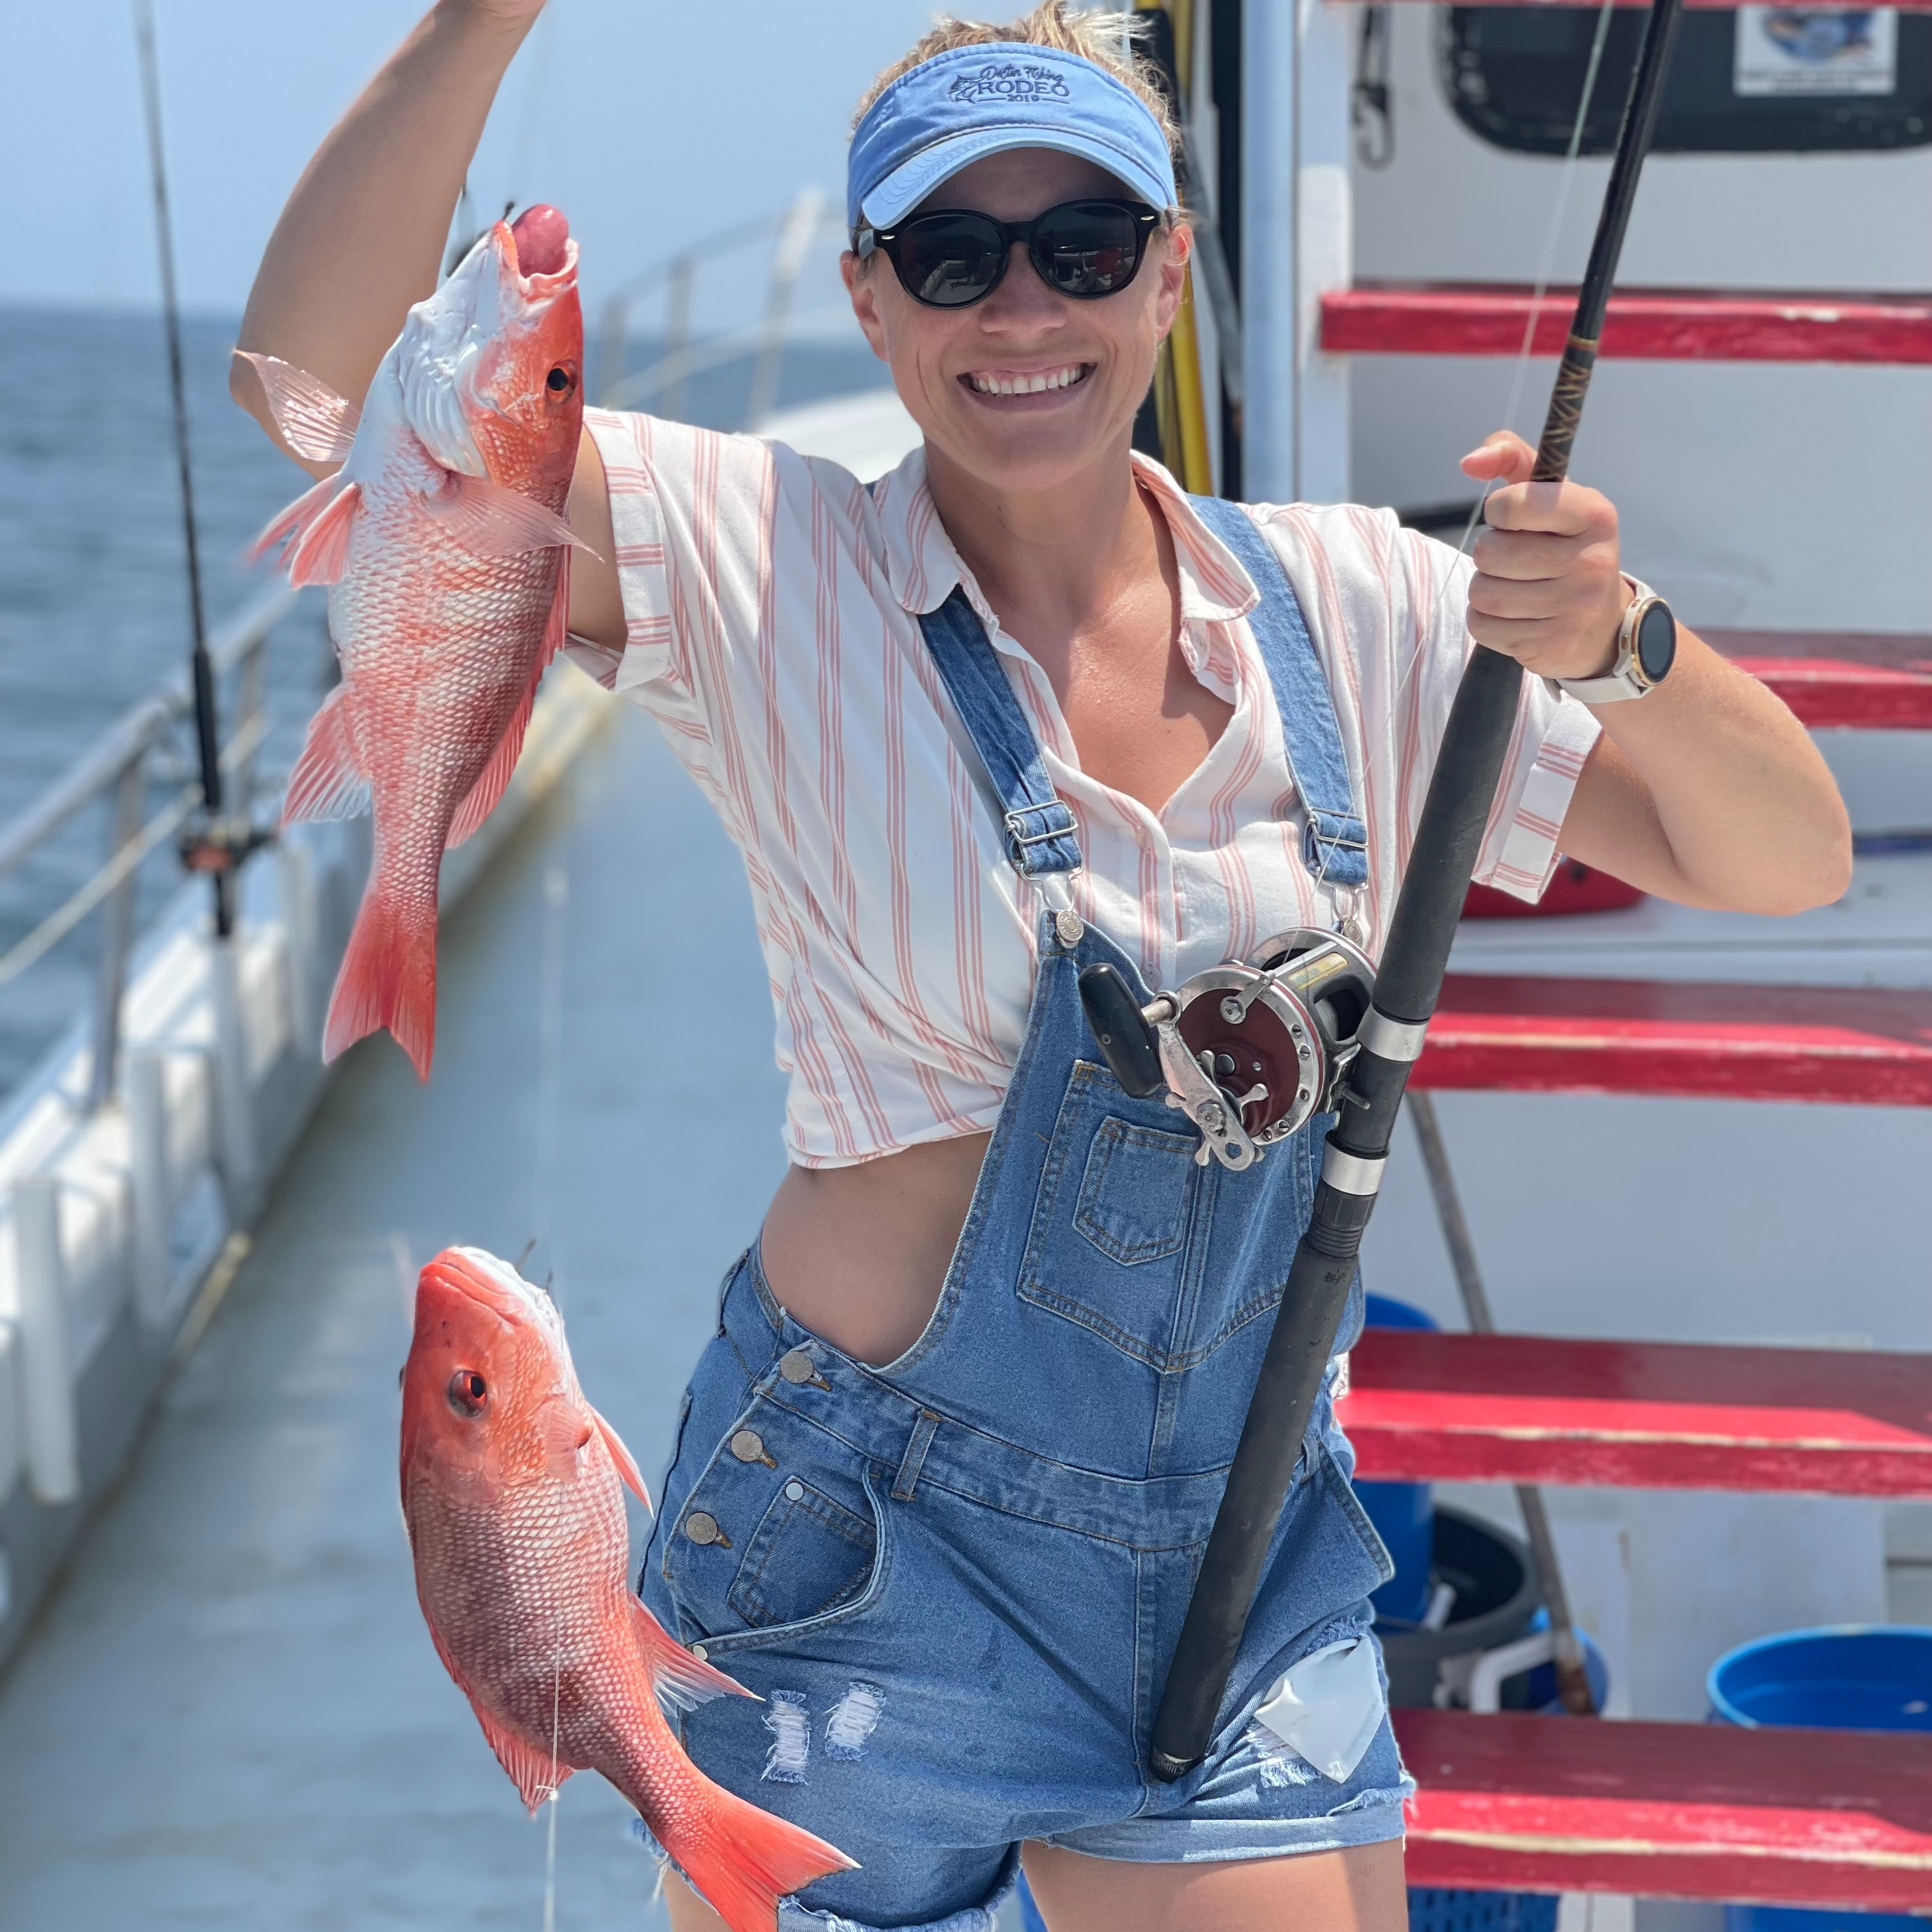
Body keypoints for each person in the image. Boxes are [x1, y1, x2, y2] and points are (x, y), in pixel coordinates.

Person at [233, 4, 1850, 1928]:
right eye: (954, 254)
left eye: (1083, 246)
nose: (1024, 309)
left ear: (1169, 271)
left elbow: (1787, 854)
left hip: (1235, 1546)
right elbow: (319, 389)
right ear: (869, 296)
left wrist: (1618, 635)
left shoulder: (1367, 606)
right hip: (859, 1551)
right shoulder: (763, 562)